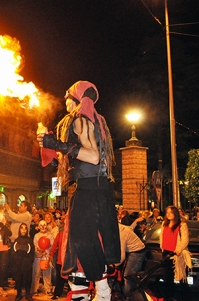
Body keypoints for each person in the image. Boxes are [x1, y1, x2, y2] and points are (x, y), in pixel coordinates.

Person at [37, 81, 121, 301]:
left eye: (67, 97)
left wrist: (57, 145)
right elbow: (79, 159)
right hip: (95, 188)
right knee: (82, 242)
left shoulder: (80, 120)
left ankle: (103, 292)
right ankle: (93, 290)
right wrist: (51, 145)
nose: (64, 102)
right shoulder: (94, 120)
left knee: (80, 238)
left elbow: (92, 156)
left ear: (76, 99)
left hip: (89, 189)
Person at [160, 206, 191, 283]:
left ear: (175, 214)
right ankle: (168, 294)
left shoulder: (182, 225)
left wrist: (179, 249)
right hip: (166, 253)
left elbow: (185, 239)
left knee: (180, 276)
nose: (169, 214)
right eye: (167, 212)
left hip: (176, 253)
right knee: (167, 276)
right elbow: (161, 236)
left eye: (171, 212)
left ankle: (181, 294)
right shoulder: (164, 224)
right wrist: (161, 247)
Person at [117, 223, 146, 297]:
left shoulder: (121, 233)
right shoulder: (121, 227)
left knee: (128, 276)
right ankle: (135, 295)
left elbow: (122, 256)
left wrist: (114, 265)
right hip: (136, 250)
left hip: (137, 252)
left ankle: (129, 297)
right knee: (133, 277)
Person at [31, 220, 54, 296]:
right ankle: (34, 289)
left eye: (44, 225)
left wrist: (46, 252)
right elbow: (34, 246)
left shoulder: (50, 235)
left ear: (46, 226)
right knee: (36, 273)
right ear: (38, 226)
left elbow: (52, 246)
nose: (43, 227)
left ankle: (48, 289)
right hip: (38, 257)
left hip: (46, 257)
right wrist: (39, 252)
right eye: (41, 225)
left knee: (47, 274)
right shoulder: (36, 235)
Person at [12, 223, 34, 301]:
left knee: (28, 278)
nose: (23, 230)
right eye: (22, 228)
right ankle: (19, 294)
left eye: (25, 228)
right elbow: (13, 252)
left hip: (27, 263)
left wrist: (29, 260)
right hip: (18, 263)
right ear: (19, 229)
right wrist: (17, 258)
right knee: (18, 278)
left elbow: (32, 252)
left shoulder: (29, 240)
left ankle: (28, 294)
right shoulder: (16, 240)